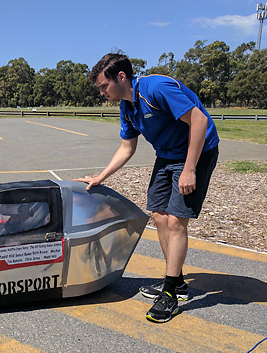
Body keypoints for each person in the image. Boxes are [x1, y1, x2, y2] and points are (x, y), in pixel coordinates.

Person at [74, 53, 219, 323]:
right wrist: (100, 177)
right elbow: (127, 147)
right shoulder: (127, 108)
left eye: (104, 86)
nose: (102, 92)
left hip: (196, 152)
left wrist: (189, 169)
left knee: (176, 221)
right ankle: (176, 284)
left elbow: (199, 121)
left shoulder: (156, 89)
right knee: (160, 216)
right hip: (167, 155)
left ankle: (170, 294)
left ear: (121, 77)